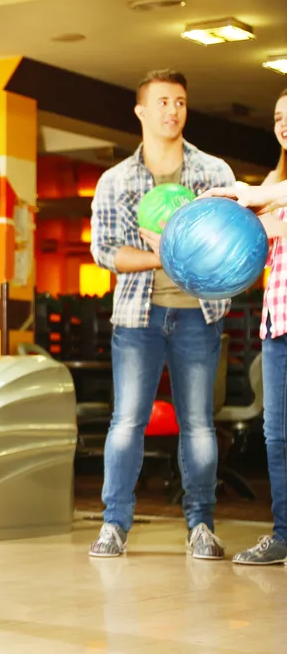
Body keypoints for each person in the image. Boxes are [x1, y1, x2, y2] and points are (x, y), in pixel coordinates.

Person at [88, 69, 238, 560]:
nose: (172, 110)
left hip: (199, 313)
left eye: (180, 101)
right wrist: (164, 255)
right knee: (127, 422)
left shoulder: (214, 172)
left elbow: (231, 240)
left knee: (198, 424)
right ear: (141, 112)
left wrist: (189, 252)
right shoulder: (115, 181)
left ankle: (201, 527)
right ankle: (114, 525)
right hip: (137, 318)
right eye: (162, 102)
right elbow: (106, 251)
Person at [201, 88, 287, 565]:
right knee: (277, 434)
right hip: (278, 324)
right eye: (277, 117)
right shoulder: (278, 178)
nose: (283, 124)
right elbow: (267, 241)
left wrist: (255, 197)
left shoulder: (274, 188)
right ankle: (284, 535)